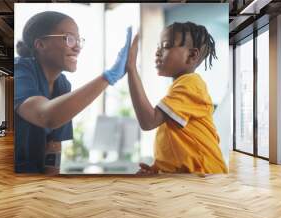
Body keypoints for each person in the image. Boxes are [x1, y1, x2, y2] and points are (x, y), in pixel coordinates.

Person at [14, 11, 132, 174]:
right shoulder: (20, 70)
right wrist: (107, 78)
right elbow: (46, 116)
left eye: (78, 40)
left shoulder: (63, 85)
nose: (77, 47)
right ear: (40, 44)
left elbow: (53, 145)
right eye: (69, 38)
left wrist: (50, 183)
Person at [126, 22, 227, 174]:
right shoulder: (180, 88)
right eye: (159, 46)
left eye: (166, 46)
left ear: (191, 55)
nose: (158, 52)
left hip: (206, 176)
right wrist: (157, 169)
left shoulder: (191, 84)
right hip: (191, 177)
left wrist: (131, 69)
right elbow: (176, 143)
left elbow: (148, 121)